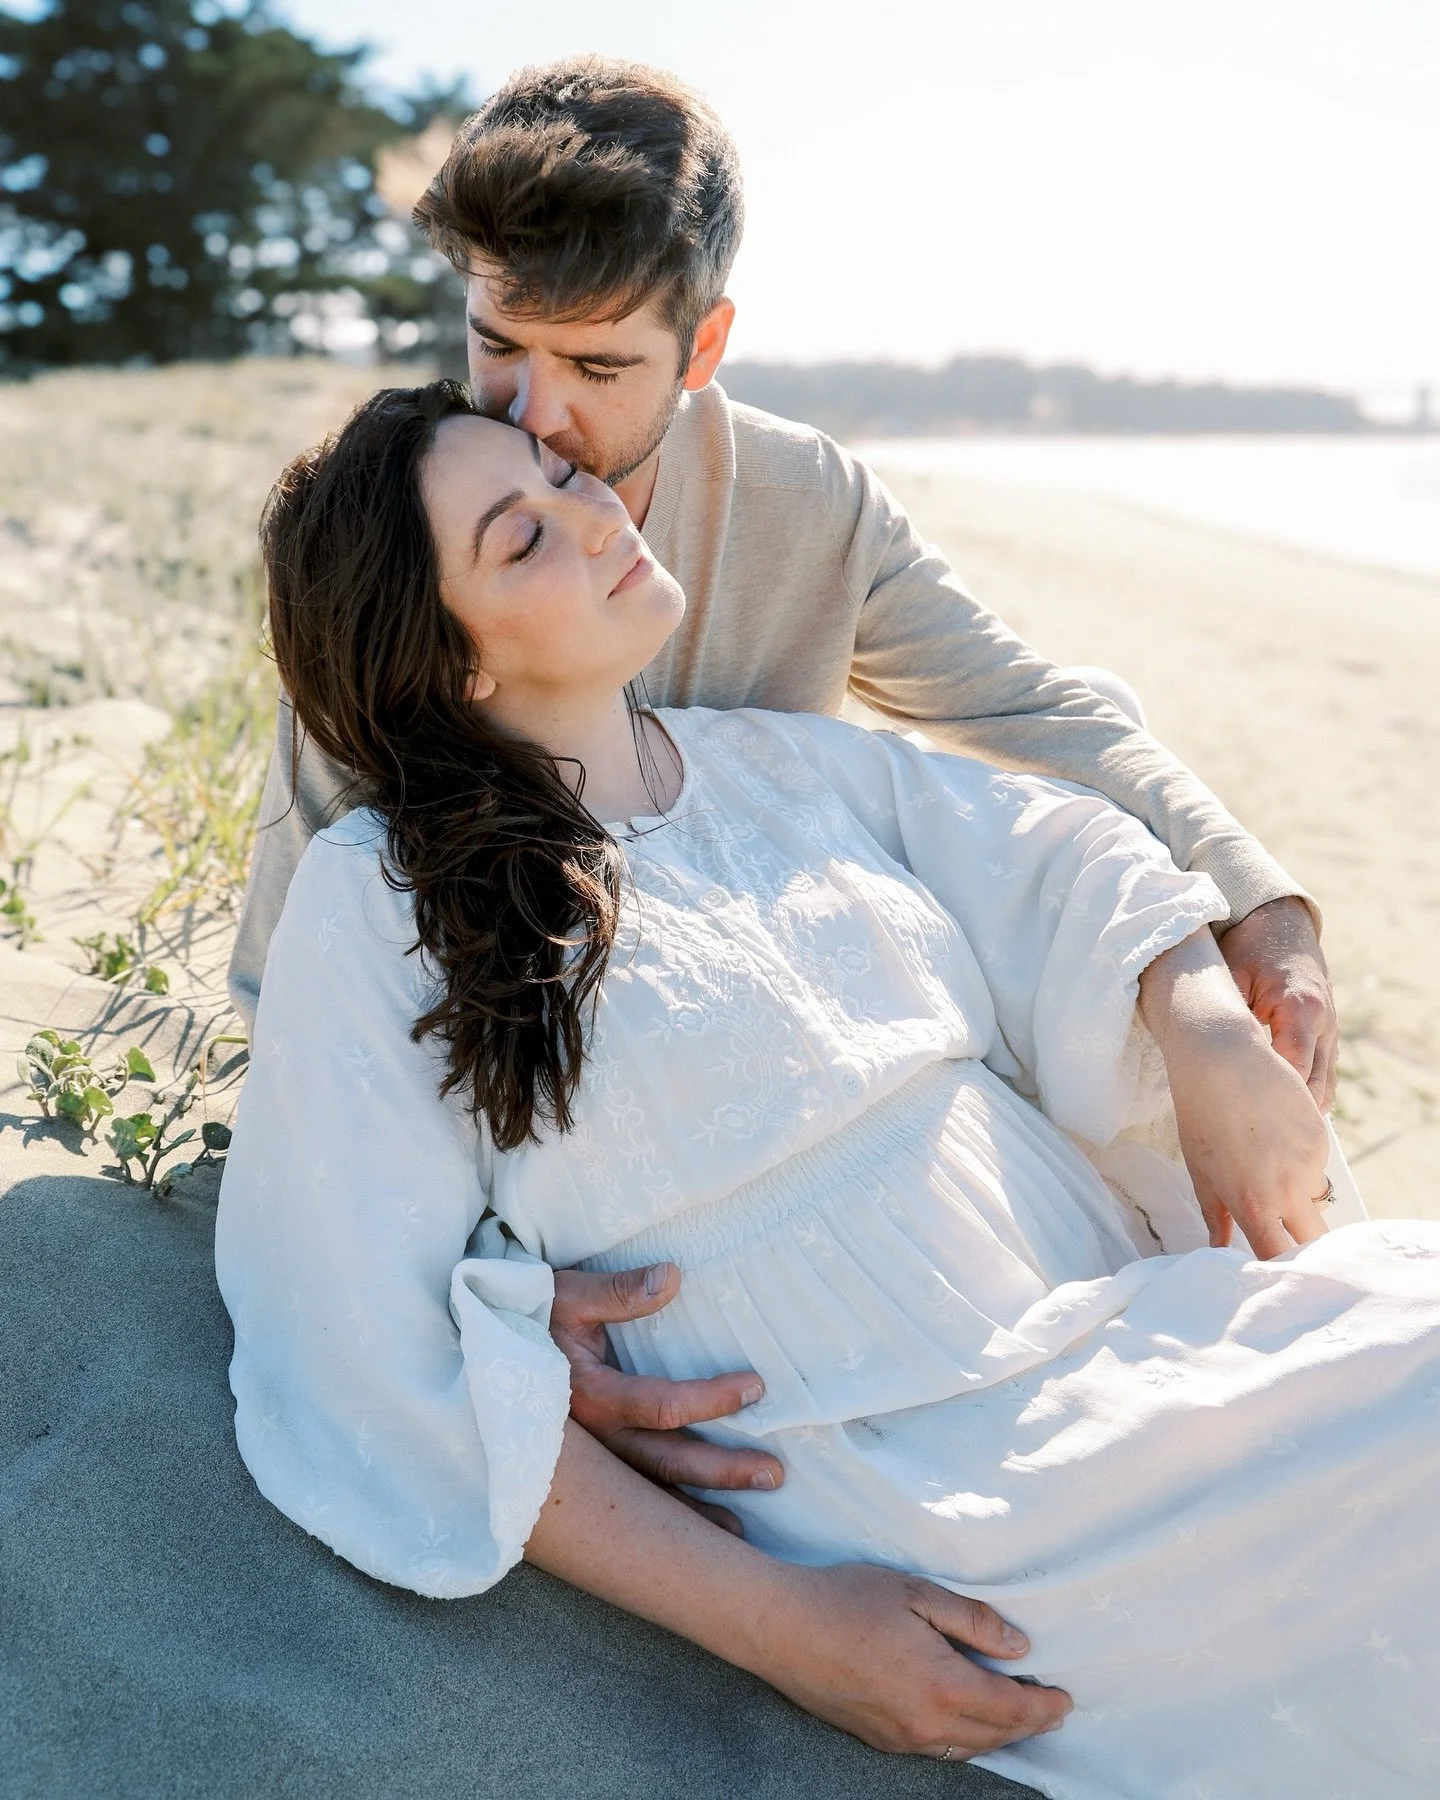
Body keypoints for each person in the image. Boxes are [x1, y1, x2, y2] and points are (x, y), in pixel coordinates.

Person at [217, 383, 1439, 1797]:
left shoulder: (777, 761)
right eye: (521, 537)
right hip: (934, 1483)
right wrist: (785, 1629)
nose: (595, 512)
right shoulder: (378, 899)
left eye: (566, 474)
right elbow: (358, 1343)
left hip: (1127, 1329)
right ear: (453, 668)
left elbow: (1062, 855)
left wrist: (1205, 1022)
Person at [229, 55, 1339, 1508]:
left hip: (868, 1094)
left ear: (705, 347)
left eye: (600, 367)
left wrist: (1256, 911)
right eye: (502, 341)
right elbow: (296, 1013)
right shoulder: (432, 556)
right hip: (636, 1199)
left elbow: (1034, 714)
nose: (537, 417)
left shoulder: (807, 505)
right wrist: (489, 1307)